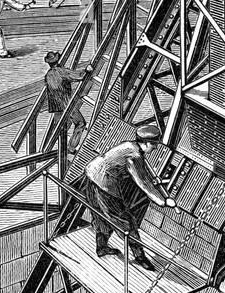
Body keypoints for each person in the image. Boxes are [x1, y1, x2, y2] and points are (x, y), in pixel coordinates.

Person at [79, 124, 177, 268]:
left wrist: (151, 179)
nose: (155, 148)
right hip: (104, 185)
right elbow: (143, 183)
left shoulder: (129, 145)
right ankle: (140, 257)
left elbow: (139, 171)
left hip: (91, 177)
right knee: (127, 222)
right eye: (154, 145)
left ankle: (101, 247)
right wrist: (164, 201)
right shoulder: (135, 156)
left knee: (100, 217)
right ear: (146, 143)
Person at [44, 51, 93, 153]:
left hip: (56, 106)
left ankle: (56, 149)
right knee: (80, 123)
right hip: (66, 104)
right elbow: (78, 76)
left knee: (60, 129)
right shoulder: (61, 71)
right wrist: (87, 70)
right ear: (58, 60)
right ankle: (71, 147)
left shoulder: (48, 74)